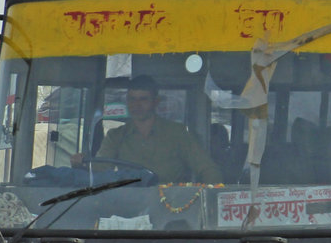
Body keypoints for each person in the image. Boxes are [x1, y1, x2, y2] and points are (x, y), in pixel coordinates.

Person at [72, 75, 222, 184]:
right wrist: (81, 166)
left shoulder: (178, 133)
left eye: (143, 99)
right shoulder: (115, 136)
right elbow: (99, 174)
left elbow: (208, 169)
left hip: (170, 209)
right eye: (132, 99)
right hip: (126, 211)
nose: (136, 105)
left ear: (155, 101)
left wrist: (206, 201)